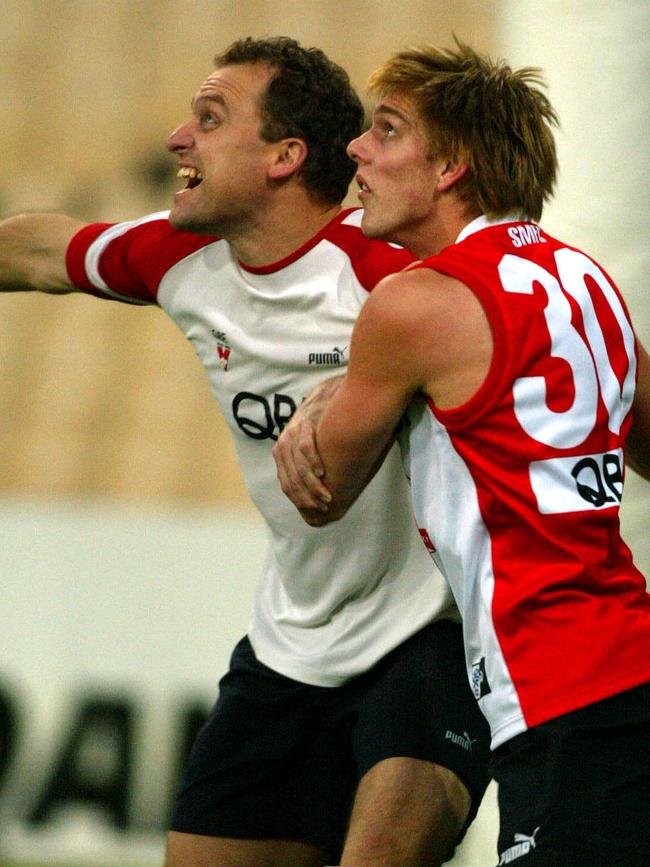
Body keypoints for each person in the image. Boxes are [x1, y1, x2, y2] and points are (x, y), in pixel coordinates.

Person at [0, 37, 492, 867]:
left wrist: (372, 381)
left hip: (431, 637)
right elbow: (43, 250)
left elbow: (537, 349)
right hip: (290, 647)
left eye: (210, 118)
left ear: (285, 157)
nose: (176, 140)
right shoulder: (178, 255)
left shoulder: (394, 280)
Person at [275, 39, 650, 866]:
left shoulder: (415, 302)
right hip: (625, 664)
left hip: (557, 693)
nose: (357, 150)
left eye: (388, 131)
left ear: (451, 167)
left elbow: (319, 487)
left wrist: (323, 399)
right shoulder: (588, 281)